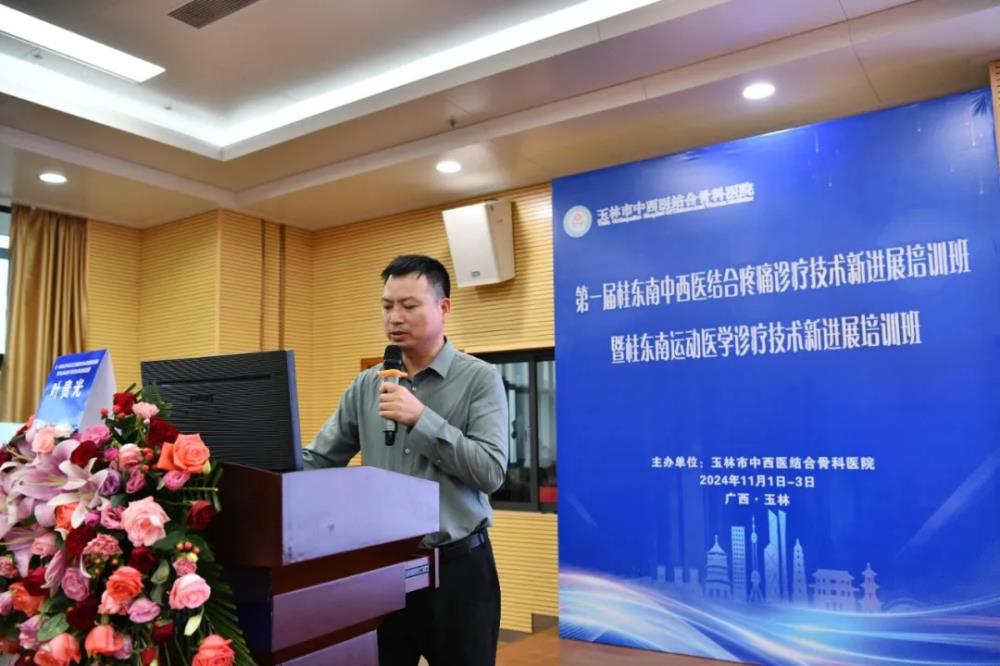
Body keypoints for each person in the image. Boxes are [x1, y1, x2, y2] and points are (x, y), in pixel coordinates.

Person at [302, 254, 509, 666]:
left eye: (408, 305)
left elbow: (490, 471)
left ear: (443, 308)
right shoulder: (367, 385)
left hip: (458, 571)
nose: (394, 317)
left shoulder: (479, 379)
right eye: (387, 306)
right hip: (383, 570)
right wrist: (257, 467)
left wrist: (421, 419)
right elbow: (319, 458)